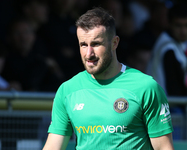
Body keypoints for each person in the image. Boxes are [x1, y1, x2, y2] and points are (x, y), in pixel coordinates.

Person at [43, 7, 174, 150]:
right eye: (83, 45)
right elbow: (53, 146)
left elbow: (163, 147)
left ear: (114, 43)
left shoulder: (146, 87)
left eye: (96, 44)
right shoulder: (67, 90)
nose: (89, 53)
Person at [146, 3, 187, 96]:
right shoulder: (168, 49)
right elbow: (175, 91)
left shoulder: (173, 43)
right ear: (170, 24)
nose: (183, 31)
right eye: (178, 25)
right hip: (165, 105)